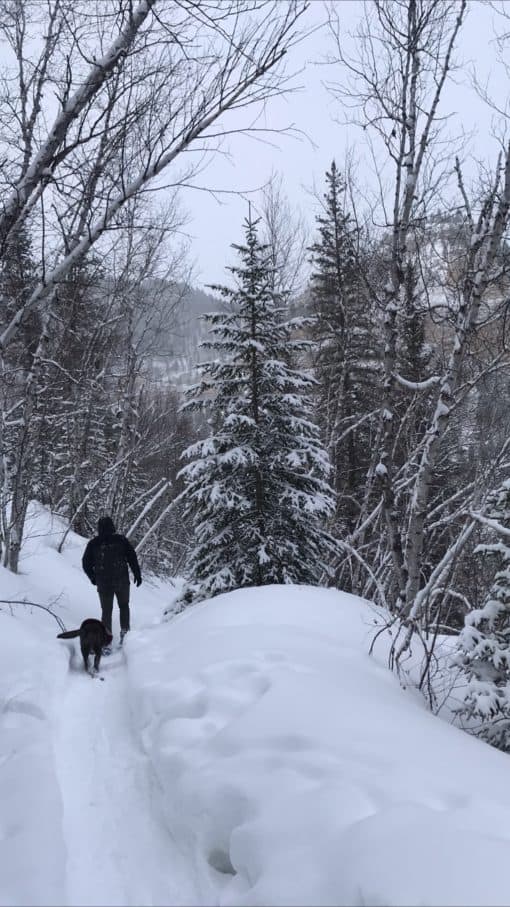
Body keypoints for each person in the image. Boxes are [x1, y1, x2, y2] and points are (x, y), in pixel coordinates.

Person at [82, 516, 142, 648]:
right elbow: (132, 557)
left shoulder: (94, 543)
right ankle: (125, 635)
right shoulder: (121, 540)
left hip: (104, 584)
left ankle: (105, 642)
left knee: (106, 612)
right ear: (112, 526)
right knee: (124, 607)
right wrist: (137, 573)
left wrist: (93, 578)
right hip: (122, 581)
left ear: (99, 528)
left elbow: (86, 563)